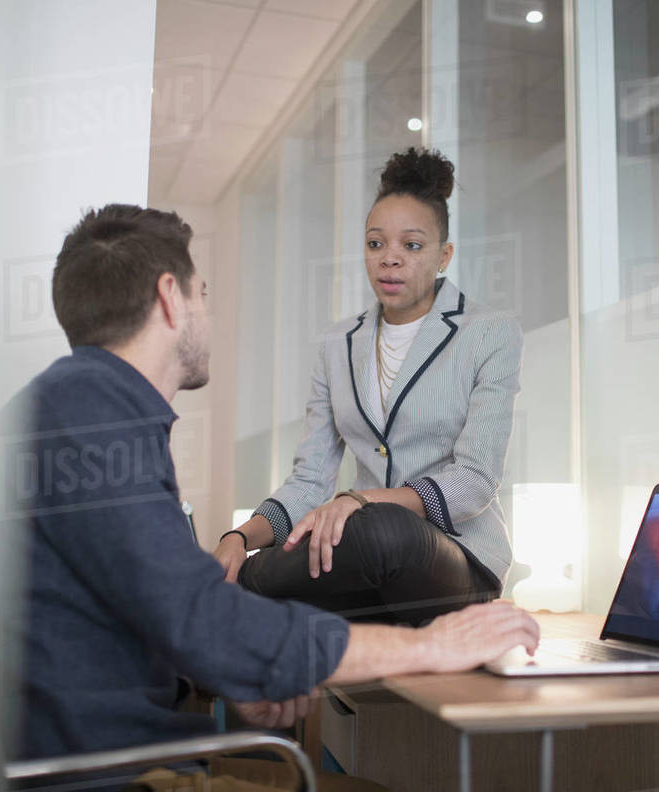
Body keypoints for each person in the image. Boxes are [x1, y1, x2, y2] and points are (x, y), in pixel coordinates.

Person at [0, 204, 539, 789]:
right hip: (118, 774)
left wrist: (219, 674)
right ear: (168, 298)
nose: (207, 312)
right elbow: (201, 615)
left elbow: (122, 617)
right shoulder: (93, 422)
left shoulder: (71, 408)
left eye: (411, 245)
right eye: (201, 292)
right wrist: (430, 646)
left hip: (116, 752)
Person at [215, 147, 522, 626]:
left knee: (378, 531)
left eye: (412, 246)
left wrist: (361, 501)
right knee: (292, 553)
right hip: (363, 554)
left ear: (444, 256)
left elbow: (476, 480)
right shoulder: (338, 343)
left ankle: (249, 594)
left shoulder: (489, 331)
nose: (390, 260)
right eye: (376, 244)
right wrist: (239, 538)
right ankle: (234, 592)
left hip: (457, 560)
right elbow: (310, 480)